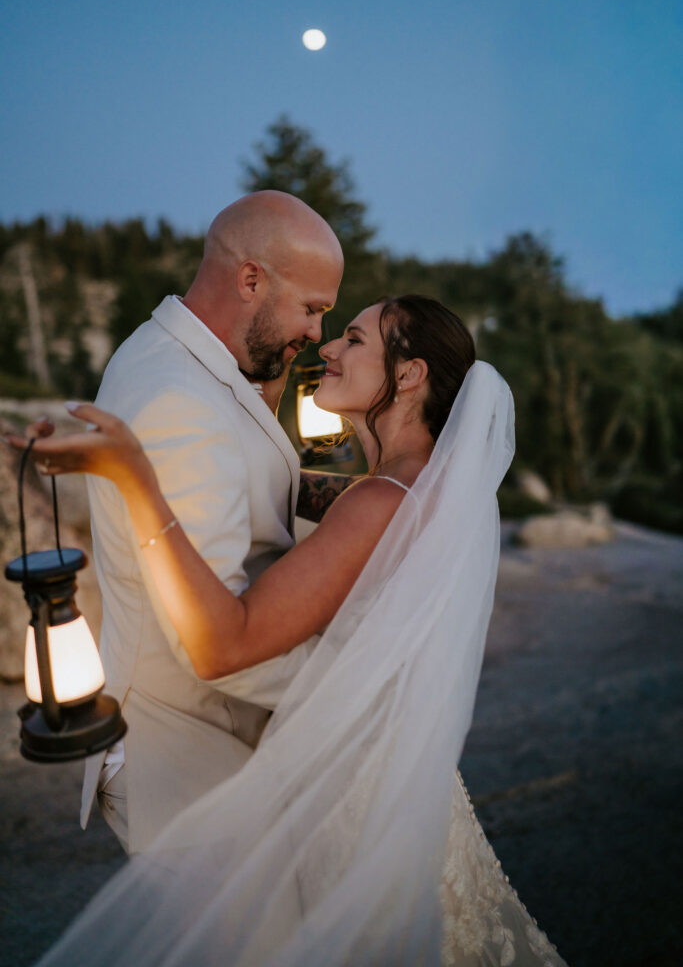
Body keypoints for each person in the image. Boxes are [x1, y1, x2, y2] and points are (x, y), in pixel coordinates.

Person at [8, 295, 567, 965]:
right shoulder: (424, 491)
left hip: (346, 795)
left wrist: (137, 481)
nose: (327, 347)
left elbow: (224, 646)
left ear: (409, 373)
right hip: (397, 782)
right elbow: (324, 520)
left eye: (354, 339)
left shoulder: (380, 500)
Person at [71, 190, 344, 854]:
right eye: (312, 309)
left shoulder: (179, 357)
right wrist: (351, 678)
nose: (316, 335)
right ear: (251, 278)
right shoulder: (178, 402)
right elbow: (213, 641)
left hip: (201, 741)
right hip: (185, 754)